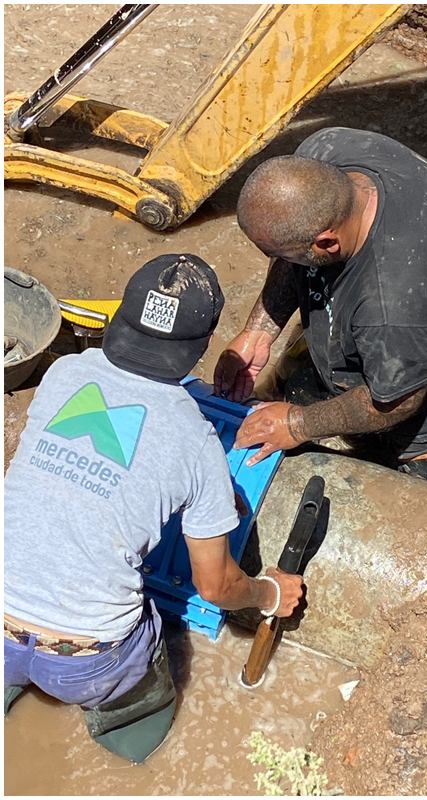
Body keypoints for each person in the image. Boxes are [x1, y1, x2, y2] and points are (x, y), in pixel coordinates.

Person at [4, 254, 305, 764]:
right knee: (138, 716)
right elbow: (216, 587)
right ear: (204, 345)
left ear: (122, 317)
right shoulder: (196, 440)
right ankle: (127, 730)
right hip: (89, 659)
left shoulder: (63, 372)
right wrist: (270, 593)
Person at [214, 127, 427, 489]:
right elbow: (294, 255)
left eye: (280, 255)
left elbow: (397, 401)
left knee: (389, 493)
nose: (277, 261)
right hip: (397, 329)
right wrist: (258, 331)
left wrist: (298, 425)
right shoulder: (327, 151)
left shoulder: (391, 306)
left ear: (326, 243)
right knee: (295, 383)